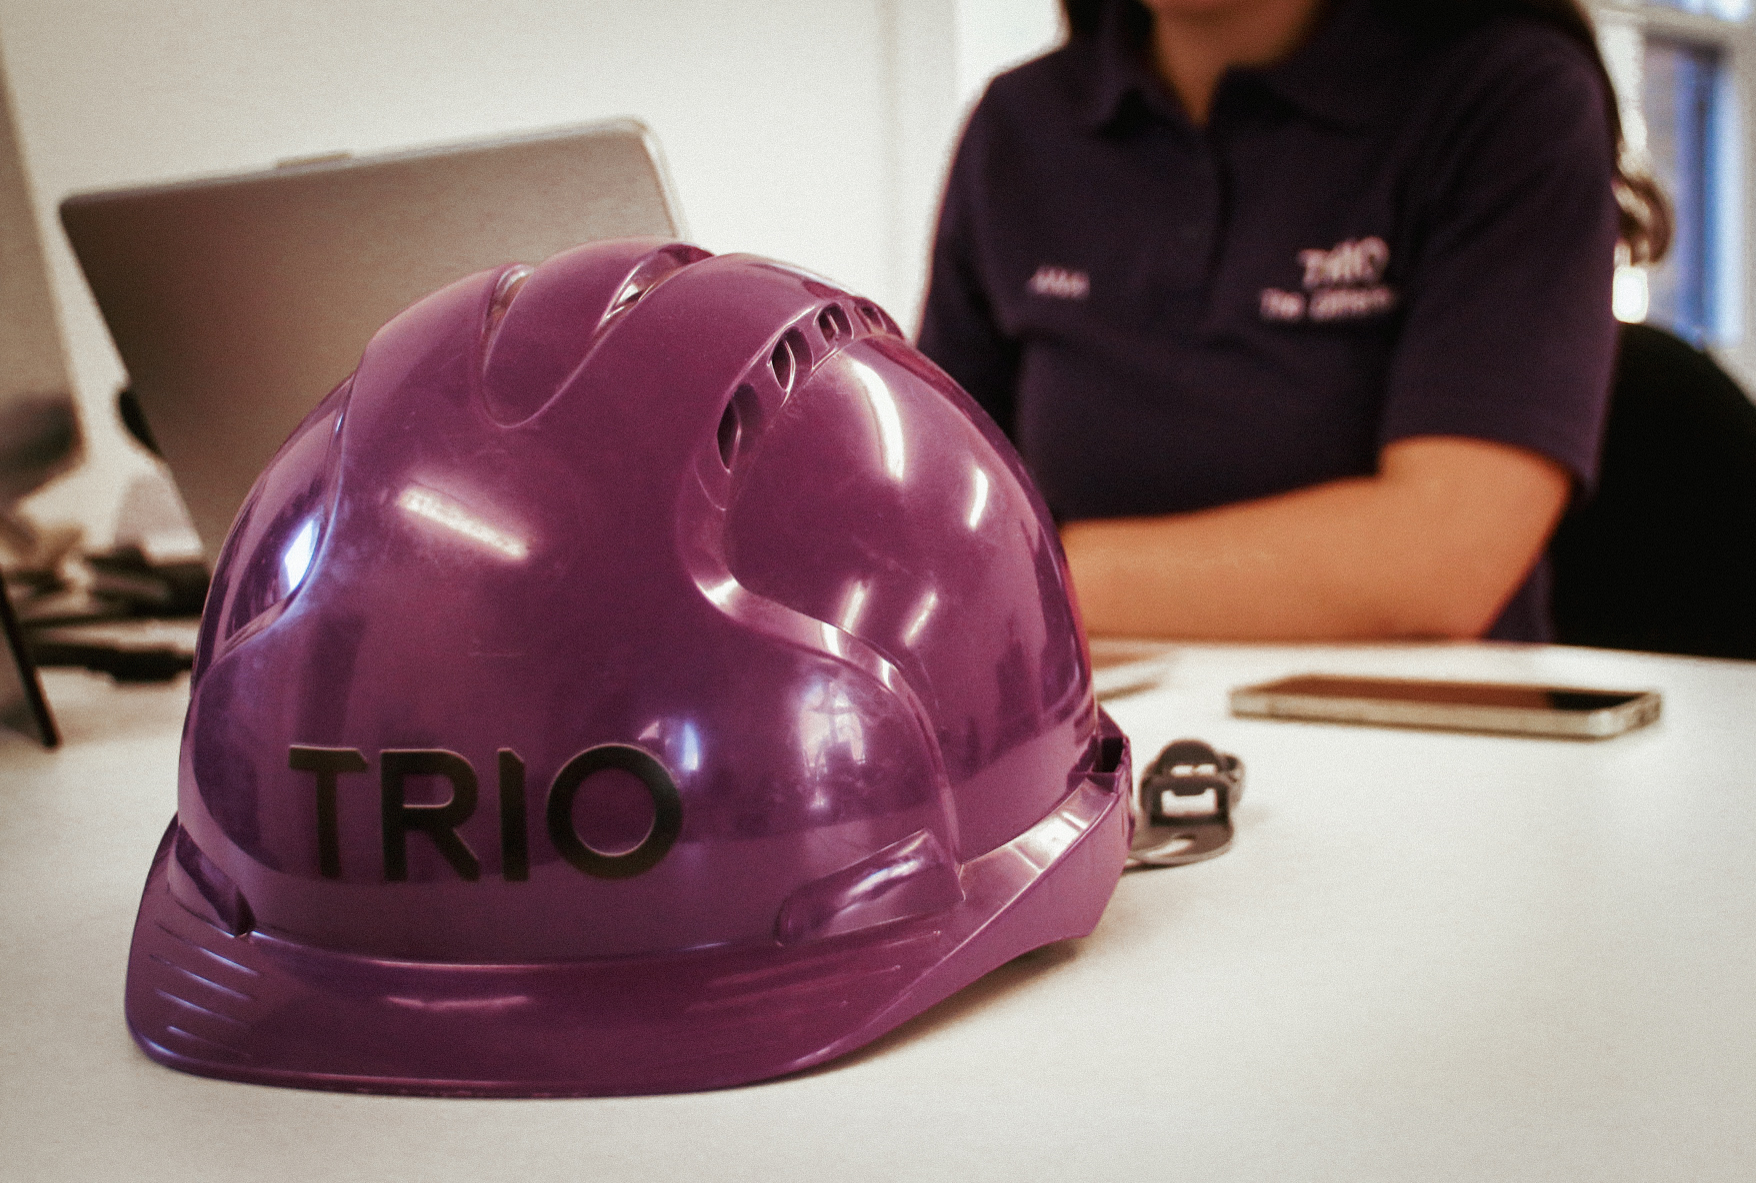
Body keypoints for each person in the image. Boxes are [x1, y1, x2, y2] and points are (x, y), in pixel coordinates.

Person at [917, 0, 1669, 641]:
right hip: (1090, 739)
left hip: (1430, 748)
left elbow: (1443, 557)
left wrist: (1033, 584)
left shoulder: (1508, 97)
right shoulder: (1016, 129)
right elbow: (932, 514)